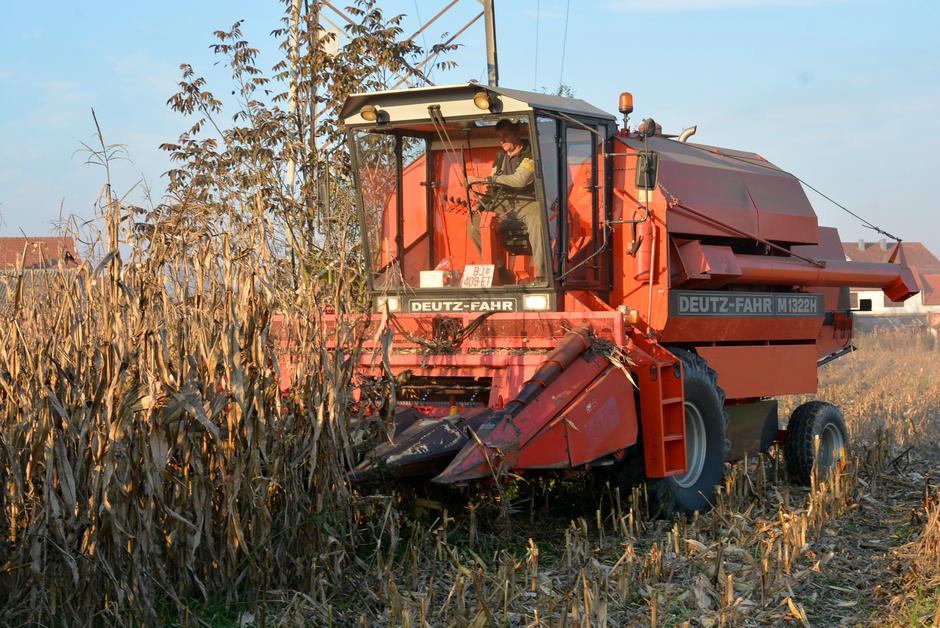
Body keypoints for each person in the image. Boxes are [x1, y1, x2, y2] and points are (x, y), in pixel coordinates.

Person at [466, 119, 547, 283]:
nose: (502, 140)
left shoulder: (531, 153)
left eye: (506, 136)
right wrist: (483, 204)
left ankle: (542, 275)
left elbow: (519, 181)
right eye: (499, 137)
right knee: (475, 224)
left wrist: (486, 179)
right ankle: (498, 270)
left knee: (538, 218)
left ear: (516, 134)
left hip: (526, 201)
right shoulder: (500, 156)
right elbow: (493, 187)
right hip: (503, 201)